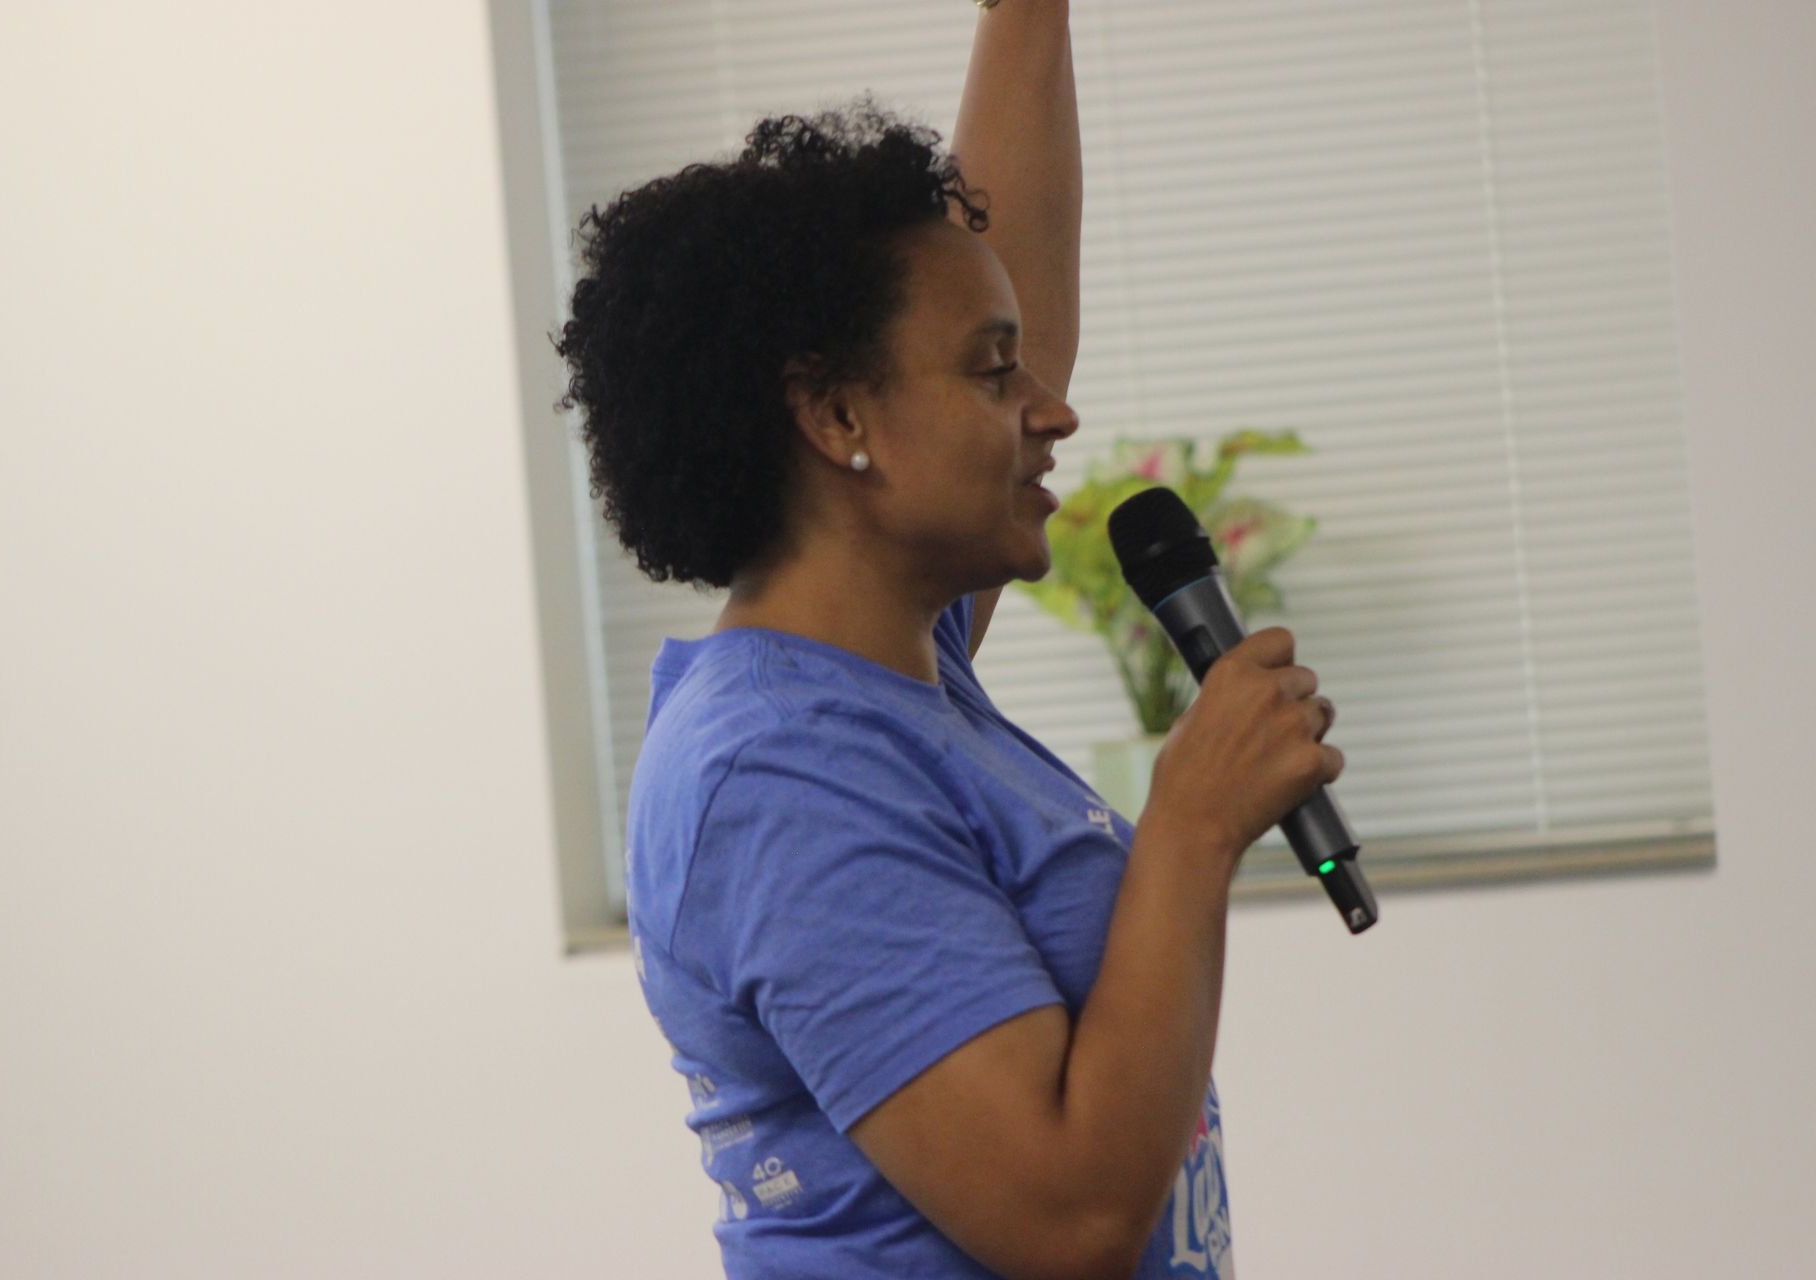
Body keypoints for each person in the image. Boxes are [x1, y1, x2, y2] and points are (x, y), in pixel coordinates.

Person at [553, 3, 1339, 1276]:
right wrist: (1191, 826)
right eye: (993, 373)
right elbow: (1068, 1216)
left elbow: (1009, 269)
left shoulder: (898, 673)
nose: (1052, 410)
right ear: (836, 416)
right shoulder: (779, 772)